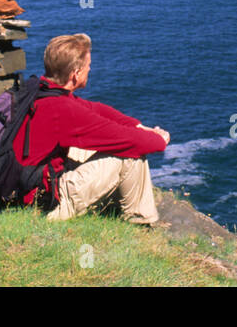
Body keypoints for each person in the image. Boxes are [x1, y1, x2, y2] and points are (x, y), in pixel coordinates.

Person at [13, 33, 170, 226]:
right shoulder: (62, 110)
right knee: (131, 154)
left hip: (26, 185)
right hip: (45, 203)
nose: (90, 69)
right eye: (88, 66)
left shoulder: (40, 90)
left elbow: (93, 108)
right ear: (76, 74)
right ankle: (142, 224)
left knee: (107, 143)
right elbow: (136, 142)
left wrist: (137, 125)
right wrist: (160, 139)